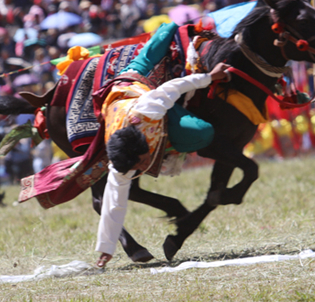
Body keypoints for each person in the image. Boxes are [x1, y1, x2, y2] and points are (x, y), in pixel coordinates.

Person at [95, 62, 231, 268]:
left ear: (143, 145)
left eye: (142, 162)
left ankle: (170, 28)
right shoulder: (121, 161)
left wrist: (210, 77)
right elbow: (114, 203)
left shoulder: (147, 110)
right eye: (138, 167)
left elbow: (174, 86)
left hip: (133, 84)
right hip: (114, 108)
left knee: (163, 36)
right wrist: (106, 248)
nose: (143, 168)